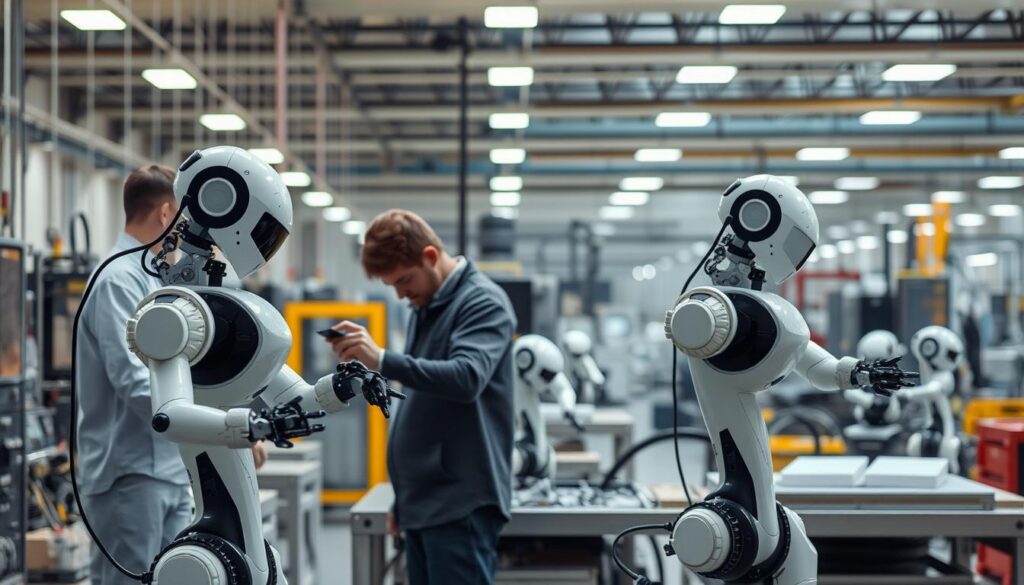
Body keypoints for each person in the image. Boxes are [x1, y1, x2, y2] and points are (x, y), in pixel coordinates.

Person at [75, 164, 267, 585]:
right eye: (186, 219)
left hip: (166, 467)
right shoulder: (116, 280)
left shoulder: (153, 278)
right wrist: (219, 428)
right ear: (166, 214)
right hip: (128, 472)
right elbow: (134, 381)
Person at [327, 209, 516, 585]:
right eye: (392, 285)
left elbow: (466, 378)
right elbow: (422, 398)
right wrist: (405, 498)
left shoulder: (483, 302)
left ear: (430, 256)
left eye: (404, 280)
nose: (400, 293)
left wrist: (380, 358)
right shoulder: (425, 306)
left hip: (459, 504)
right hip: (425, 502)